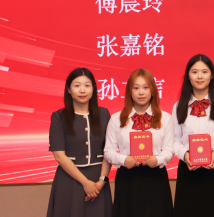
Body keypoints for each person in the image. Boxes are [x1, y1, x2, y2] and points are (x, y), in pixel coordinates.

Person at [104, 68, 174, 217]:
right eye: (136, 88)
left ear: (153, 90)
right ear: (129, 91)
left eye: (145, 87)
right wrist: (123, 159)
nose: (141, 92)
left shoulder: (165, 118)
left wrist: (158, 160)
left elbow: (169, 150)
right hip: (127, 178)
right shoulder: (116, 118)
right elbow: (108, 151)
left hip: (156, 177)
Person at [172, 55, 214, 217]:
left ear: (212, 75)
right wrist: (185, 155)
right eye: (194, 72)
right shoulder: (179, 106)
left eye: (204, 72)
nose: (200, 76)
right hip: (188, 169)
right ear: (188, 76)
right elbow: (175, 140)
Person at [47, 68, 112, 217]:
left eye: (87, 85)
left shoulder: (104, 114)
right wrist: (85, 183)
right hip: (69, 179)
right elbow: (59, 156)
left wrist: (101, 181)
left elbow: (109, 151)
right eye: (77, 85)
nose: (82, 90)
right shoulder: (59, 117)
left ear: (93, 89)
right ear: (69, 89)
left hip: (98, 181)